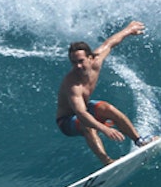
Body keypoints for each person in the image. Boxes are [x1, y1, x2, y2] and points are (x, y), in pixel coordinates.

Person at [55, 21, 155, 165]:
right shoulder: (72, 84)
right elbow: (81, 113)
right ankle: (107, 161)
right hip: (66, 121)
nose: (77, 66)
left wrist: (128, 30)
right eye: (74, 62)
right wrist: (103, 128)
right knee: (86, 124)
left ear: (90, 58)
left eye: (81, 61)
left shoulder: (97, 61)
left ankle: (140, 141)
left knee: (108, 109)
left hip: (86, 107)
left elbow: (110, 43)